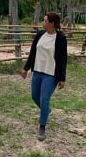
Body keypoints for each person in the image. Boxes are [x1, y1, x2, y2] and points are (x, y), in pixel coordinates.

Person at [21, 11, 67, 141]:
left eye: (45, 20)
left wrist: (62, 78)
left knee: (44, 99)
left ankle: (42, 126)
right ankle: (46, 111)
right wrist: (26, 68)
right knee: (34, 96)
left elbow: (63, 59)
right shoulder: (40, 34)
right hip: (38, 71)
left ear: (52, 24)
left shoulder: (61, 39)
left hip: (51, 74)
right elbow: (33, 53)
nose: (43, 22)